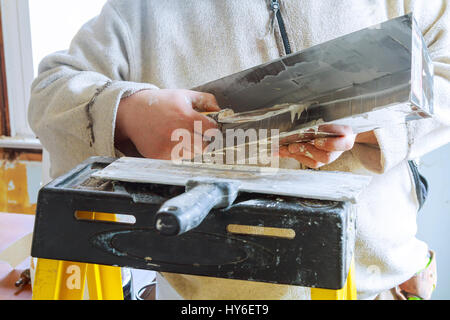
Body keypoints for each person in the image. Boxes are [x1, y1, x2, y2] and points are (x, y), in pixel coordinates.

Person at [28, 0, 449, 300]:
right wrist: (133, 110)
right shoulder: (140, 12)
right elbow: (49, 93)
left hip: (380, 284)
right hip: (207, 294)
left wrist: (364, 128)